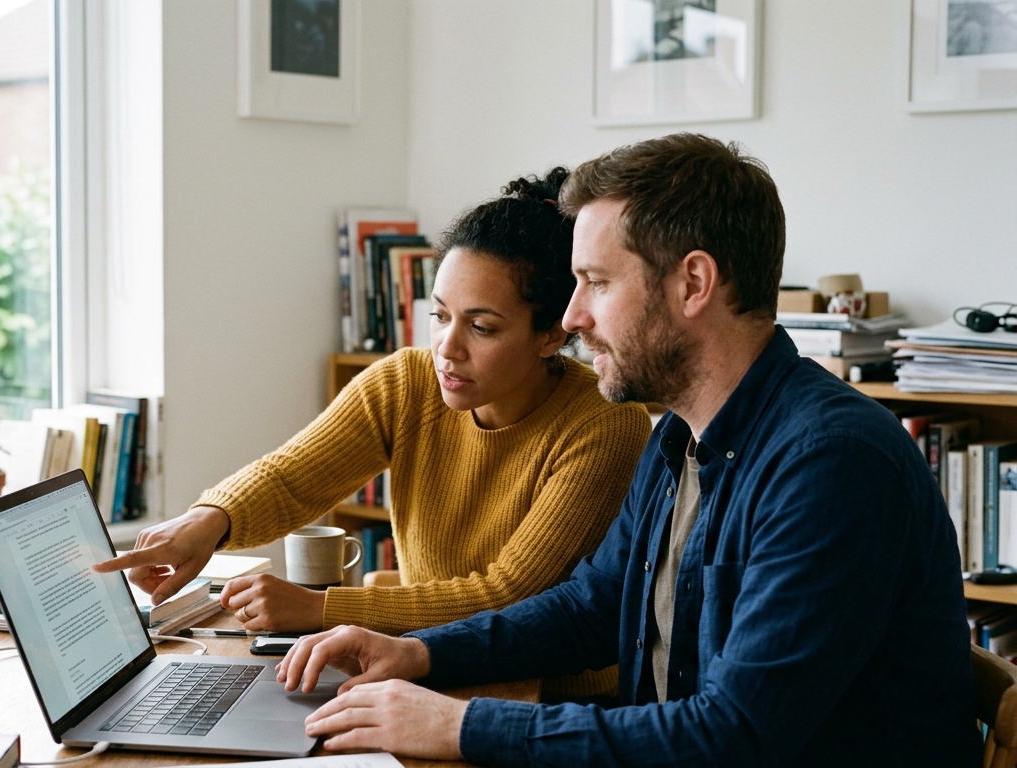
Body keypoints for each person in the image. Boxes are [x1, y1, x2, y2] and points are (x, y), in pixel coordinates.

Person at [276, 133, 979, 767]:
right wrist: (420, 652)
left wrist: (460, 726)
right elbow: (594, 604)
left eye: (598, 283)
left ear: (693, 284)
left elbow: (734, 736)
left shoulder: (832, 464)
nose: (573, 316)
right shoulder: (680, 434)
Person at [96, 168, 650, 697]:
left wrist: (320, 609)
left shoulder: (603, 423)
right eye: (439, 316)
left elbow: (508, 595)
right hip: (419, 667)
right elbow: (292, 478)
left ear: (552, 335)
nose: (447, 348)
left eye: (481, 327)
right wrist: (206, 522)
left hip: (546, 695)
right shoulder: (406, 382)